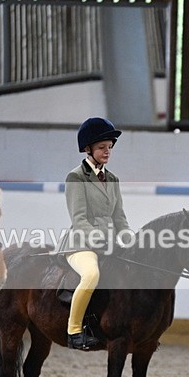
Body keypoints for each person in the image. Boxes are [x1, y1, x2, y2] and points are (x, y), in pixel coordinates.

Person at [58, 117, 131, 350]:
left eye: (109, 147)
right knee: (91, 275)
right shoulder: (76, 177)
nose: (107, 151)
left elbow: (119, 216)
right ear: (88, 149)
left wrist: (130, 239)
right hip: (82, 245)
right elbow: (79, 219)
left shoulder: (113, 179)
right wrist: (101, 241)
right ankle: (74, 330)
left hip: (109, 243)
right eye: (101, 147)